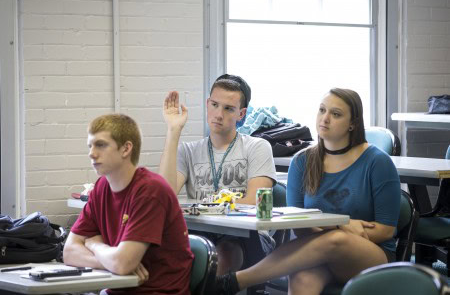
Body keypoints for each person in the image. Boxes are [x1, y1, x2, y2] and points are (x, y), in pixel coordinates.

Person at [216, 88, 401, 295]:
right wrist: (341, 223)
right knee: (302, 277)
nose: (325, 118)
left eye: (336, 114)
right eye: (322, 110)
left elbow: (385, 230)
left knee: (337, 241)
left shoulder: (378, 162)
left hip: (371, 256)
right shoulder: (302, 161)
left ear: (353, 124)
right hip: (317, 254)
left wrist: (339, 228)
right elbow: (299, 225)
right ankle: (233, 282)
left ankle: (236, 281)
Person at [159, 74, 277, 275]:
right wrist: (173, 131)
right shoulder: (188, 151)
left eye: (228, 108)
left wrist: (207, 207)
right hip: (200, 233)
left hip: (247, 236)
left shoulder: (257, 147)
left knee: (221, 255)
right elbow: (164, 196)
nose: (219, 114)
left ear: (241, 114)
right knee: (158, 251)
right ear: (207, 104)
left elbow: (254, 202)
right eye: (214, 104)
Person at [63, 114, 193, 295]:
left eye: (100, 145)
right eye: (90, 146)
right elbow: (69, 252)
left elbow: (122, 263)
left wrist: (93, 245)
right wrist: (111, 260)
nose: (91, 153)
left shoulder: (150, 191)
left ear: (126, 149)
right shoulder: (101, 187)